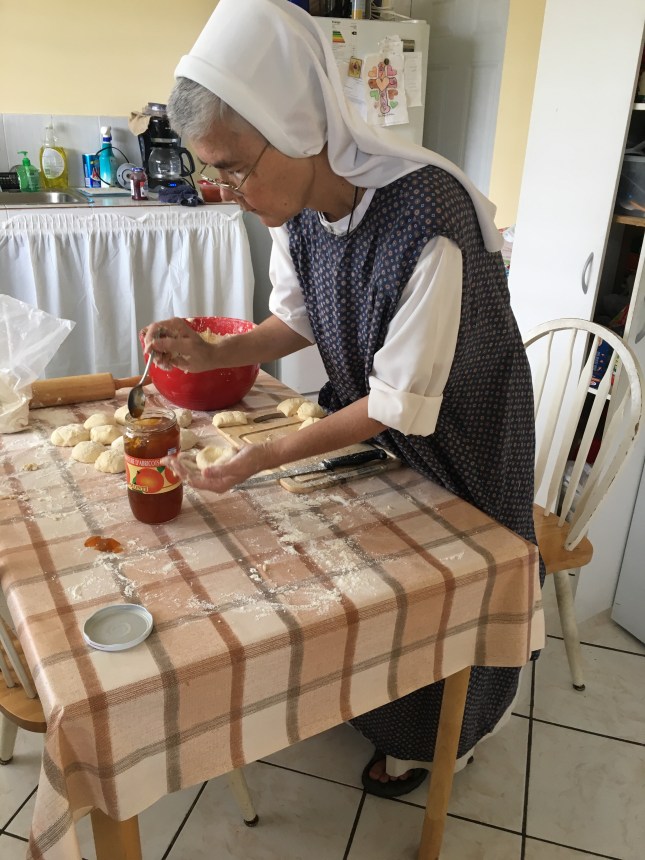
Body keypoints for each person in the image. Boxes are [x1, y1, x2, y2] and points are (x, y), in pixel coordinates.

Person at [144, 0, 543, 798]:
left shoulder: (428, 220)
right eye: (213, 170)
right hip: (383, 424)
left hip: (461, 433)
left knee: (445, 594)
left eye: (234, 166)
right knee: (367, 576)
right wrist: (215, 352)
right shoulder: (291, 209)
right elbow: (296, 317)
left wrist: (262, 455)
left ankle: (440, 739)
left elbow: (399, 402)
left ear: (299, 128)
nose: (226, 189)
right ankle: (364, 694)